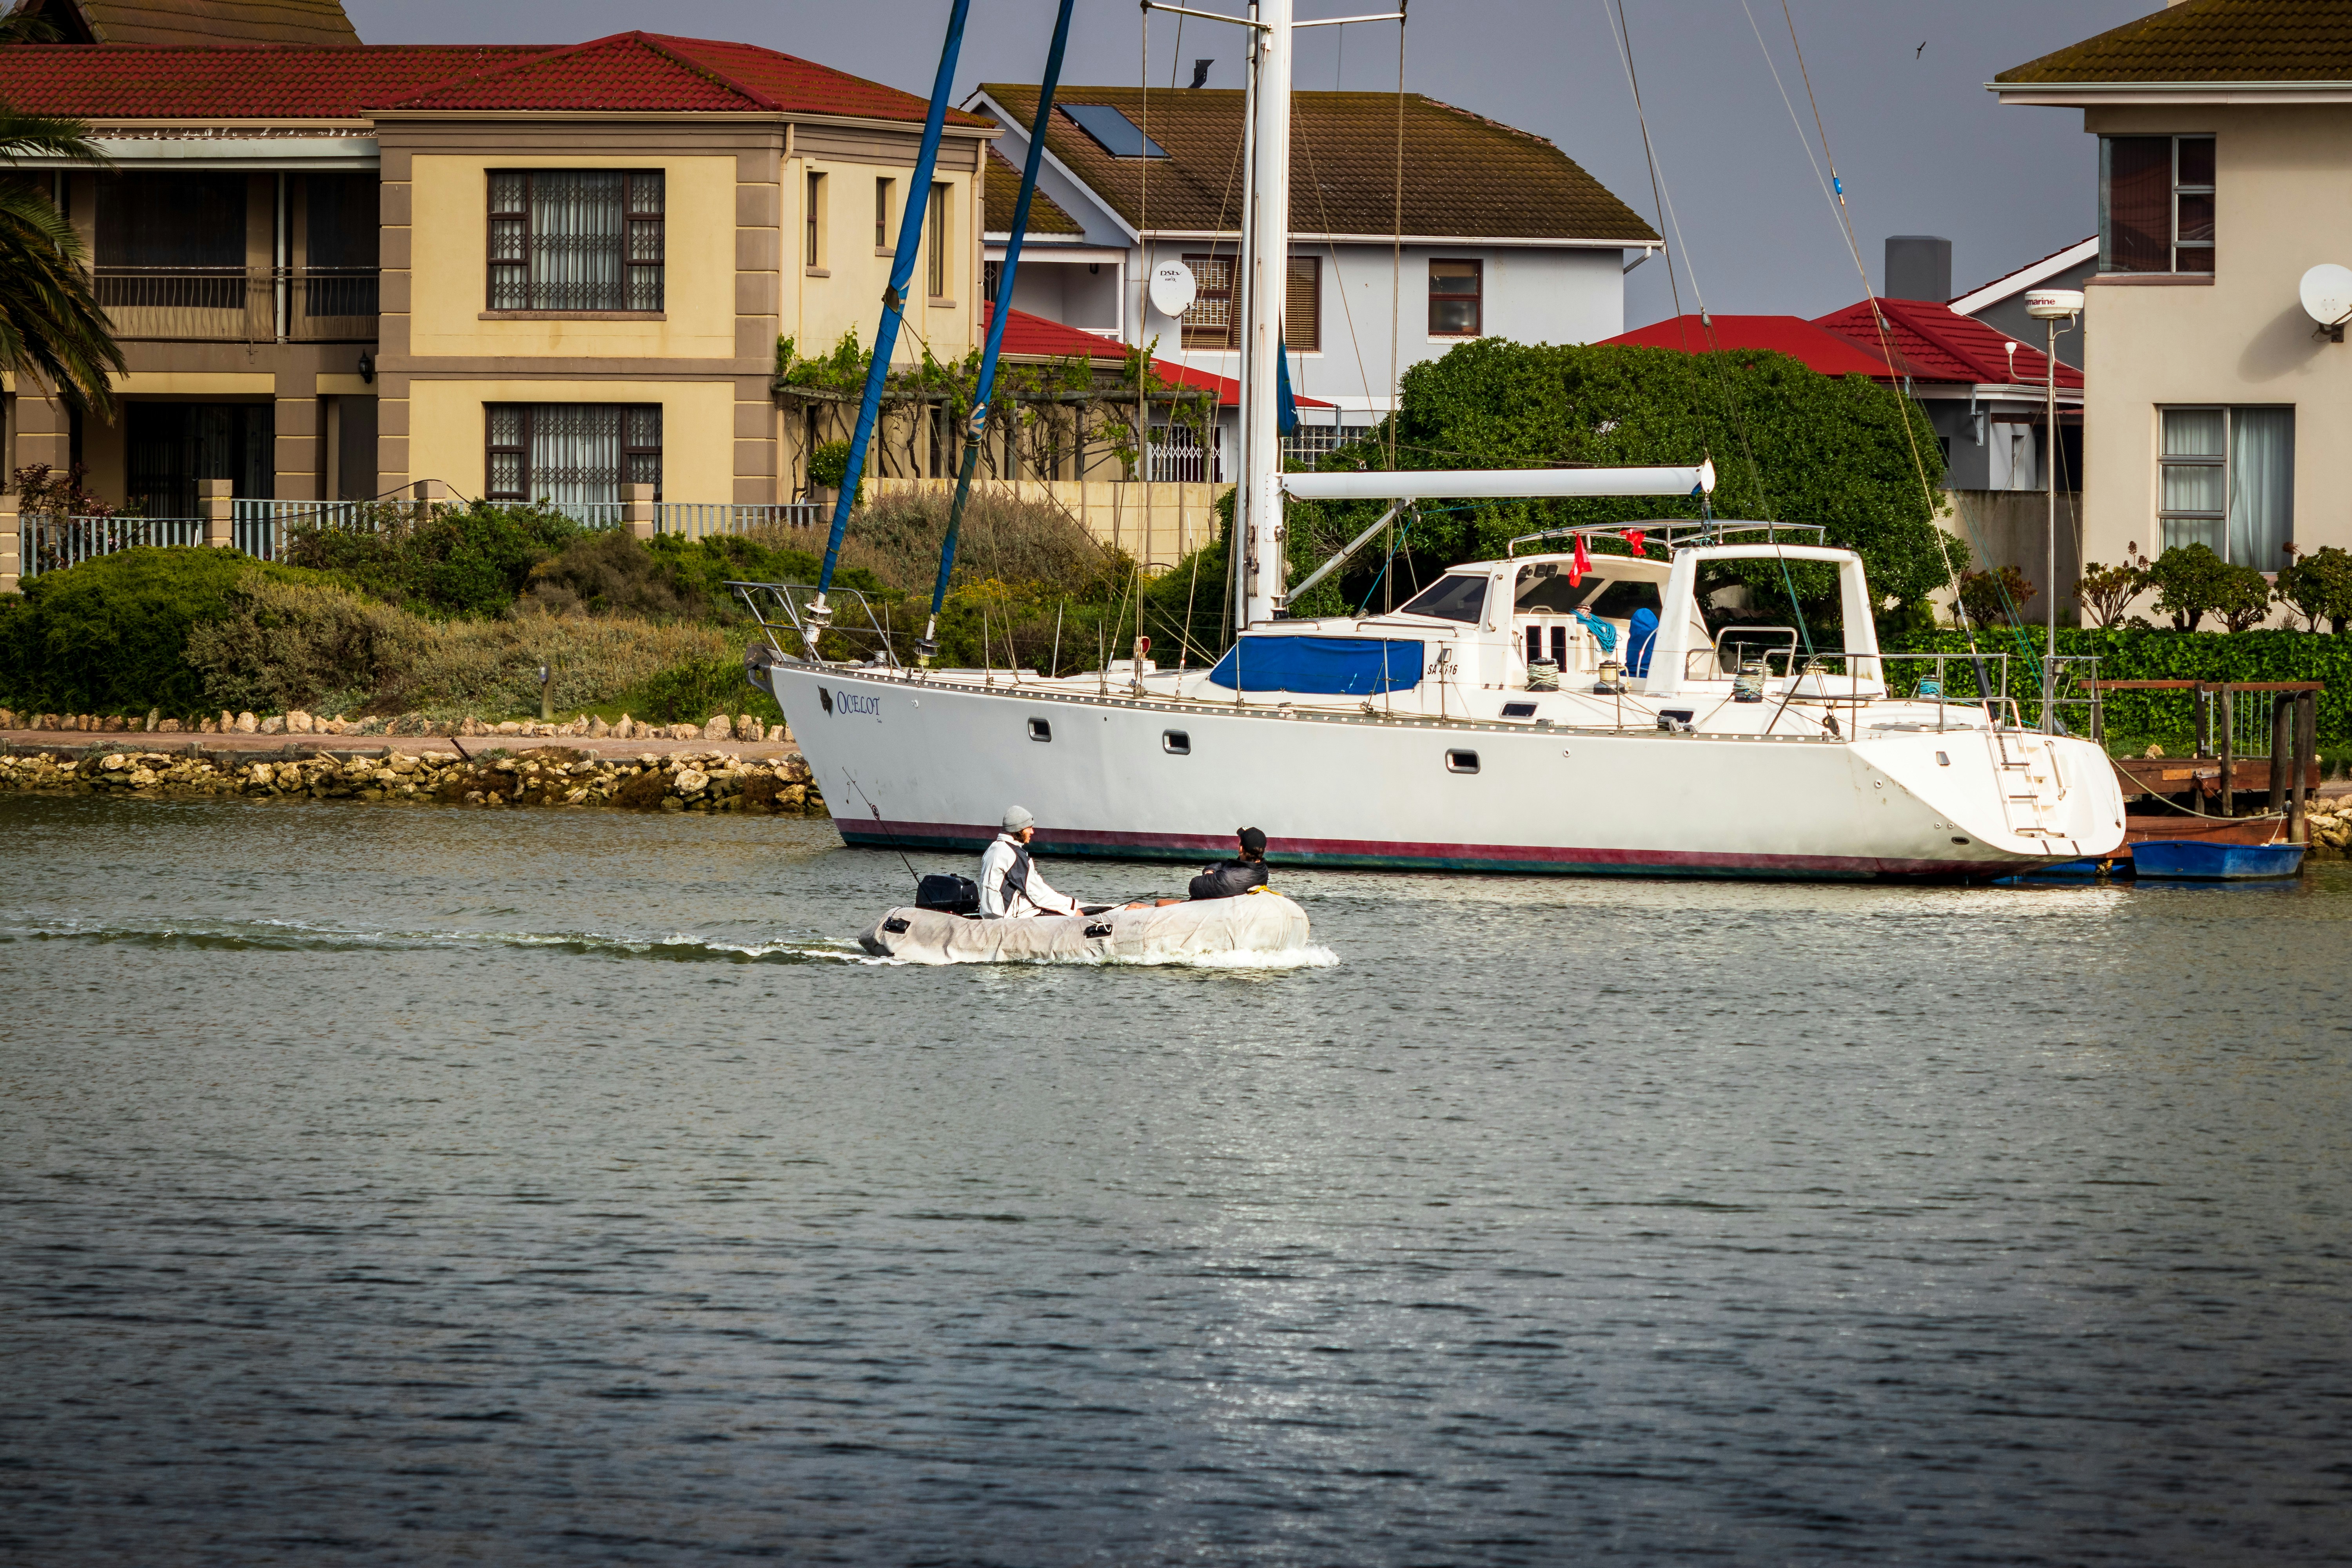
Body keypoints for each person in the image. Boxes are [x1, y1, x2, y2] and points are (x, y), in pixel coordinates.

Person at [977, 806, 1086, 918]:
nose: (1032, 832)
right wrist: (1072, 909)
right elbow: (1038, 893)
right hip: (1005, 917)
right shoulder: (1014, 855)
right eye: (1029, 828)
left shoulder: (993, 848)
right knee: (1047, 904)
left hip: (987, 913)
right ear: (1019, 829)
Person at [1188, 828, 1270, 901]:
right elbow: (1224, 863)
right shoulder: (1263, 869)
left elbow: (1194, 886)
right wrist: (1210, 871)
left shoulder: (1228, 879)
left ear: (1241, 849)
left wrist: (1209, 876)